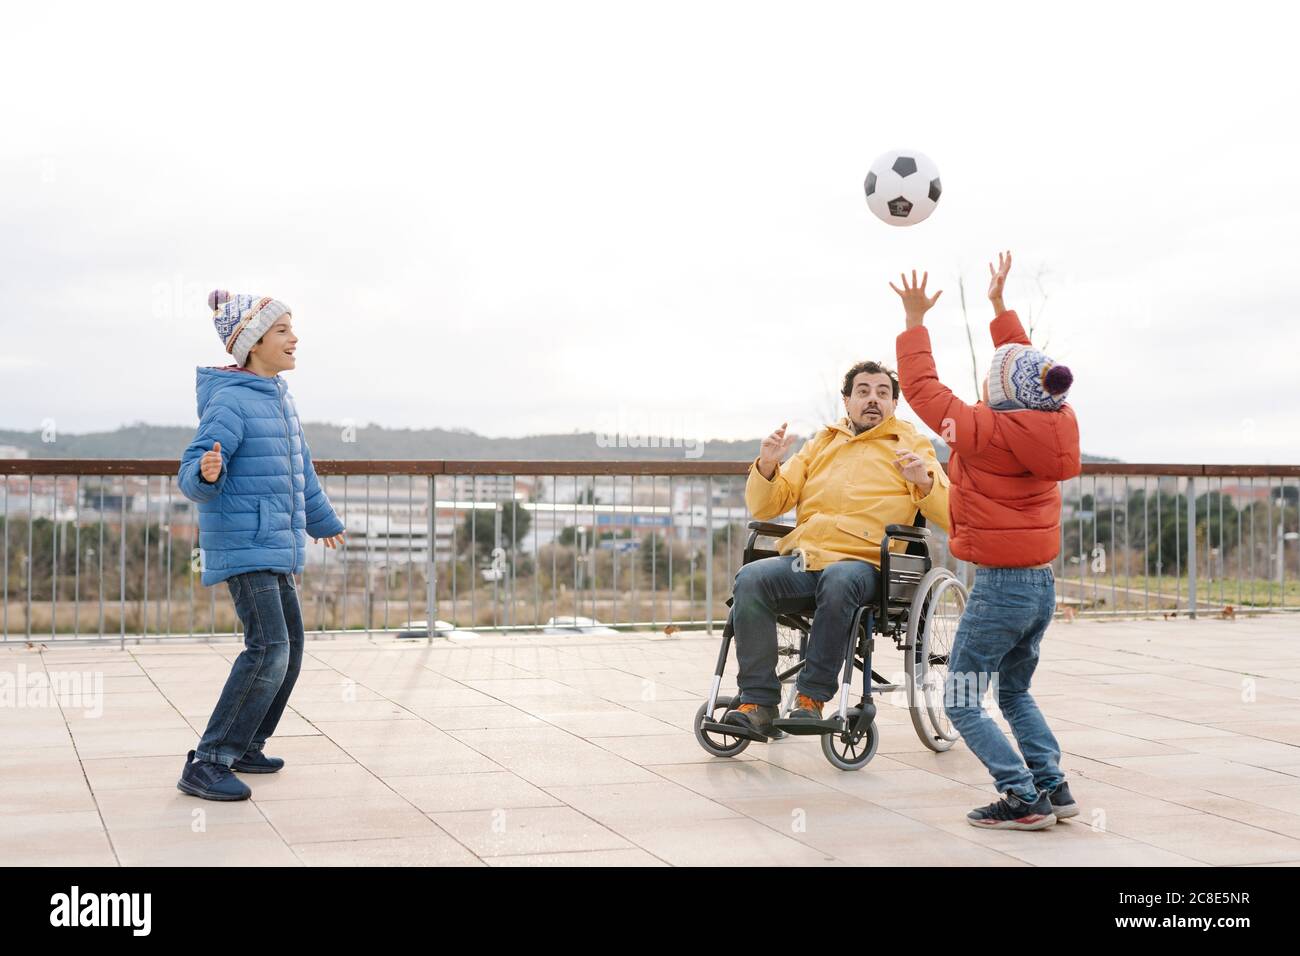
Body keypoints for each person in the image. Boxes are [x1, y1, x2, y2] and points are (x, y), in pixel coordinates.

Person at [892, 252, 1081, 830]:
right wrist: (1000, 308)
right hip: (1040, 587)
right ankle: (1054, 787)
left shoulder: (985, 431)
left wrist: (914, 320)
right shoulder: (1055, 423)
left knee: (962, 699)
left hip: (1000, 590)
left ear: (999, 392)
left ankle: (1023, 797)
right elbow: (1031, 371)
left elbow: (923, 392)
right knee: (1015, 691)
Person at [175, 290, 345, 801]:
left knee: (289, 651)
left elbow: (300, 473)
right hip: (246, 542)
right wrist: (206, 473)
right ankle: (209, 760)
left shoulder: (278, 398)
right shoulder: (231, 400)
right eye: (283, 331)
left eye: (292, 328)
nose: (294, 338)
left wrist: (322, 520)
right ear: (253, 345)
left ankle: (247, 744)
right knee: (268, 648)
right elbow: (191, 470)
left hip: (277, 542)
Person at [722, 361, 950, 737]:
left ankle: (811, 698)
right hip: (808, 559)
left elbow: (947, 512)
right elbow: (767, 506)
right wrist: (767, 465)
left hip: (869, 565)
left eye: (882, 393)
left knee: (840, 578)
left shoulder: (912, 445)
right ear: (847, 401)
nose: (872, 399)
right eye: (863, 391)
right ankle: (758, 701)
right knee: (751, 579)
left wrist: (923, 482)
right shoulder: (822, 443)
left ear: (894, 404)